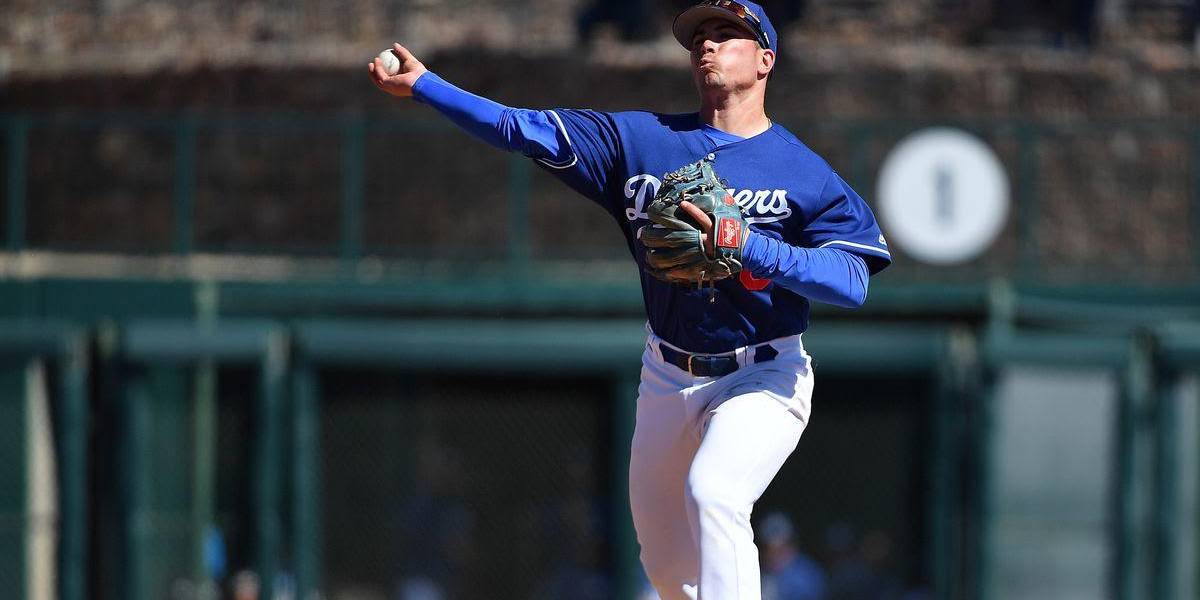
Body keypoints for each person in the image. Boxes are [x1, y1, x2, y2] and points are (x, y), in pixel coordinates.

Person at [367, 1, 891, 598]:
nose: (709, 46)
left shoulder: (805, 173)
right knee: (668, 570)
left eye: (727, 35)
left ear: (765, 60)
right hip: (668, 374)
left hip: (763, 374)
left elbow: (852, 281)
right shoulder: (641, 141)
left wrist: (752, 248)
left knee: (715, 491)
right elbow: (522, 128)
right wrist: (428, 87)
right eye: (701, 38)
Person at [758, 512, 826, 600]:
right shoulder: (761, 574)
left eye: (781, 549)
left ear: (792, 544)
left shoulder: (809, 574)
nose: (775, 555)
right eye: (770, 550)